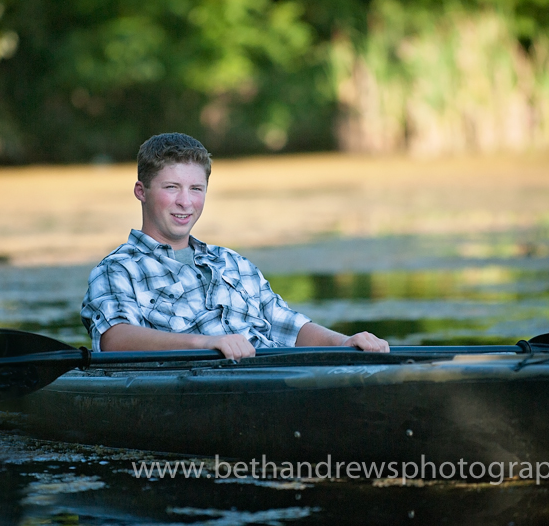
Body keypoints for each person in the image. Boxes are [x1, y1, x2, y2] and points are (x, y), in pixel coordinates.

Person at [80, 133, 389, 360]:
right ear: (141, 191)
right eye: (171, 187)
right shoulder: (117, 269)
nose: (185, 201)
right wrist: (206, 343)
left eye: (196, 189)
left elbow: (289, 327)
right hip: (199, 388)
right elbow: (114, 340)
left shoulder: (231, 262)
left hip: (275, 379)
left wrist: (344, 342)